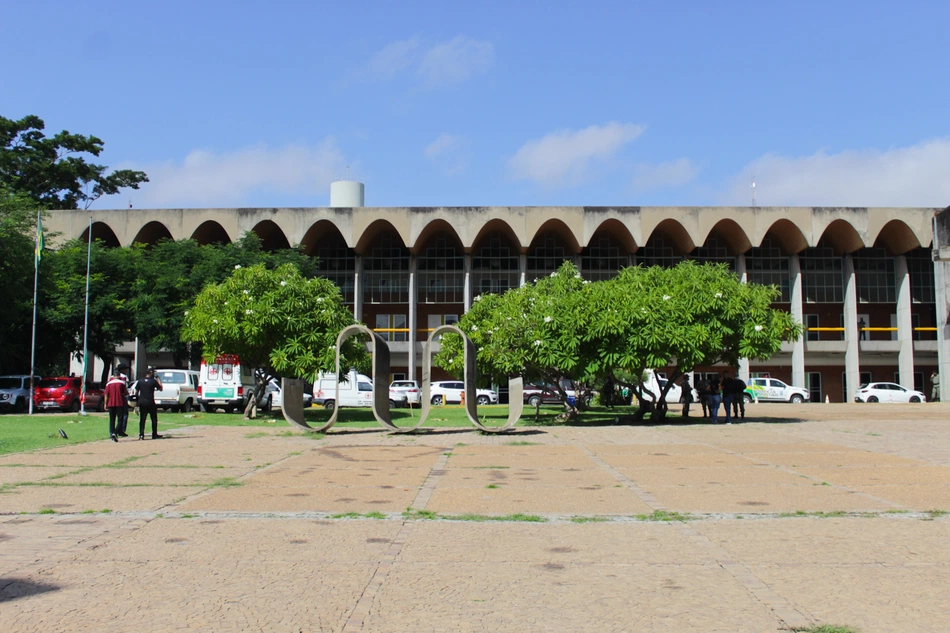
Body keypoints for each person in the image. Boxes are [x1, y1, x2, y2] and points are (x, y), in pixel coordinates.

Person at [135, 368, 164, 440]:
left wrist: (137, 402)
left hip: (142, 402)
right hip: (150, 402)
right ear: (151, 373)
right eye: (153, 372)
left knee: (142, 419)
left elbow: (136, 392)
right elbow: (161, 388)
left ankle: (141, 434)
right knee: (154, 418)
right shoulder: (153, 381)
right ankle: (154, 434)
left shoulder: (140, 380)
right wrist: (158, 379)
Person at [103, 370, 128, 442]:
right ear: (119, 376)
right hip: (119, 403)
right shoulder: (122, 383)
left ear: (113, 376)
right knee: (120, 419)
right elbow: (126, 392)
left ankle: (111, 433)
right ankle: (115, 432)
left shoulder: (108, 384)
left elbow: (106, 395)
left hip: (111, 403)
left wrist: (105, 404)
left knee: (112, 419)